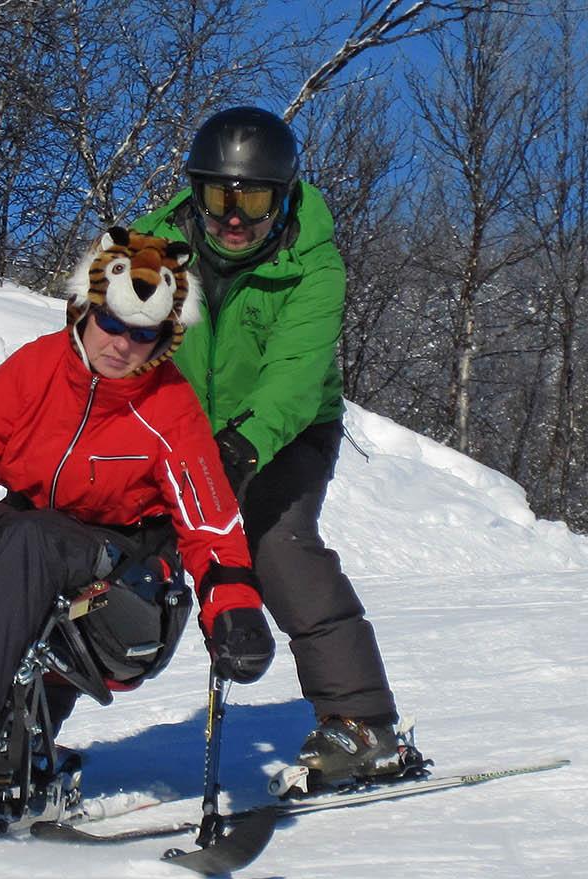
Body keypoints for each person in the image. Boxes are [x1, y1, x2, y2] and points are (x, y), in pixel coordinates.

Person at [0, 227, 275, 780]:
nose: (120, 344)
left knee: (28, 537)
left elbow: (210, 522)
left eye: (142, 334)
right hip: (34, 552)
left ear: (165, 340)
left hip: (129, 590)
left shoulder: (170, 409)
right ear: (83, 308)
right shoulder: (32, 372)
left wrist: (235, 610)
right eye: (110, 321)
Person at [134, 106, 417, 788]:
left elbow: (294, 378)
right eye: (218, 199)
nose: (234, 219)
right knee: (112, 552)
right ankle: (20, 725)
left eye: (254, 201)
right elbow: (107, 347)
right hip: (181, 430)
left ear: (283, 197)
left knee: (274, 542)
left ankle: (362, 725)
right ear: (195, 193)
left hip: (286, 432)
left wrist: (241, 449)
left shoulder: (313, 265)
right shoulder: (148, 250)